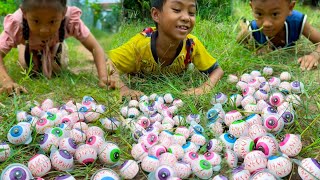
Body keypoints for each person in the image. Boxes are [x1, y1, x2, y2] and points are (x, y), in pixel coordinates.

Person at [106, 0, 224, 99]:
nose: (186, 18)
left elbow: (217, 70)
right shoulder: (139, 45)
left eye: (191, 13)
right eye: (177, 10)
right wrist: (122, 88)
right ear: (156, 14)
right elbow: (103, 63)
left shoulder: (191, 45)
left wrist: (204, 88)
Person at [0, 0, 108, 95]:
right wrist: (6, 81)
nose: (44, 30)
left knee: (58, 69)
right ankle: (24, 47)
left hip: (54, 43)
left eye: (52, 21)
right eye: (36, 21)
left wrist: (103, 76)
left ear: (63, 13)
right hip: (29, 43)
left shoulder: (70, 19)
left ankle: (58, 47)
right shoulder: (17, 23)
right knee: (28, 68)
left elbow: (95, 47)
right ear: (24, 13)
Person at [237, 0, 320, 71]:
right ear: (252, 7)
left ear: (290, 8)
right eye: (259, 14)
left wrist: (315, 55)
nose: (266, 24)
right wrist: (254, 49)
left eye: (275, 14)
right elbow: (240, 51)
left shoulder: (297, 21)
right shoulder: (251, 31)